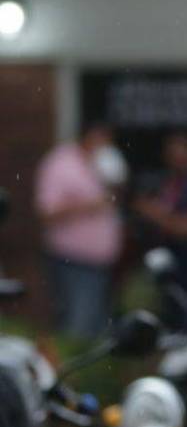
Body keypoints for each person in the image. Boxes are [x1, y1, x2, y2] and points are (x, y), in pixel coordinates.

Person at [34, 122, 126, 338]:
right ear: (90, 136)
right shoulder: (60, 164)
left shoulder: (101, 165)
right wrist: (88, 206)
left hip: (101, 263)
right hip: (72, 260)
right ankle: (71, 370)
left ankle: (92, 371)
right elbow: (47, 213)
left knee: (97, 325)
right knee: (78, 324)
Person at [133, 131, 187, 325]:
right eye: (171, 154)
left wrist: (151, 212)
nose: (176, 160)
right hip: (169, 264)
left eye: (181, 153)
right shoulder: (170, 182)